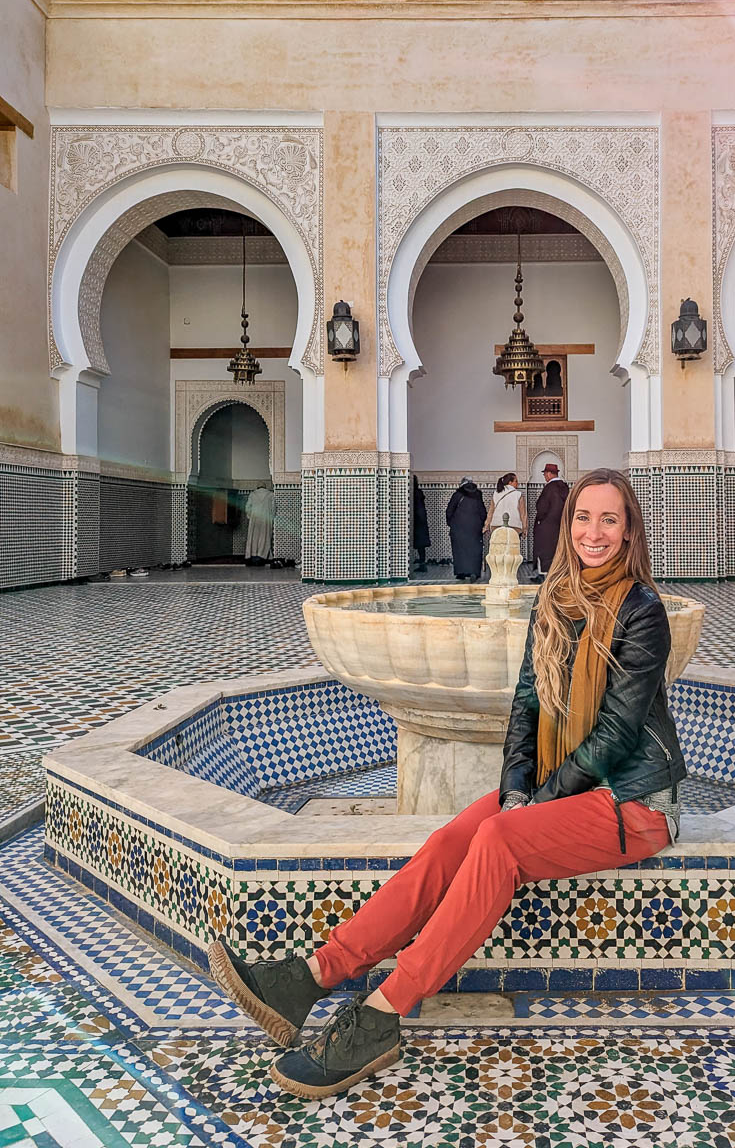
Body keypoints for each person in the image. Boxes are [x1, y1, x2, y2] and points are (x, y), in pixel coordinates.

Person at [207, 467, 685, 1100]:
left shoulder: (643, 609)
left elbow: (619, 733)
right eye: (582, 518)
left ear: (629, 534)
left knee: (500, 842)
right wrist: (518, 785)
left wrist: (529, 807)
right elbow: (527, 707)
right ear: (567, 527)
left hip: (632, 800)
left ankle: (381, 1014)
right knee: (452, 838)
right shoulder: (554, 598)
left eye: (609, 520)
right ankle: (312, 975)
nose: (593, 532)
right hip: (558, 784)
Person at [531, 462, 570, 582]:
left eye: (545, 474)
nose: (544, 476)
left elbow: (541, 507)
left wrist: (540, 520)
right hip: (561, 525)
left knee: (544, 550)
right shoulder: (564, 487)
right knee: (557, 549)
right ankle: (557, 573)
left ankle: (543, 575)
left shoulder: (549, 488)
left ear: (548, 474)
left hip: (547, 526)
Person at [446, 477, 487, 581]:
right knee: (475, 550)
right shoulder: (477, 495)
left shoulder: (457, 495)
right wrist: (481, 524)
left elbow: (449, 510)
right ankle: (474, 572)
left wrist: (451, 524)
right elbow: (483, 512)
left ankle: (461, 572)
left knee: (459, 550)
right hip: (475, 528)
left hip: (458, 528)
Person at [484, 472, 527, 539]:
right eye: (516, 481)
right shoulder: (518, 495)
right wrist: (525, 528)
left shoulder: (496, 494)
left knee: (499, 547)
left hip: (496, 526)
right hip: (514, 526)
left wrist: (486, 526)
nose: (517, 483)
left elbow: (491, 512)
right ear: (510, 482)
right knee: (512, 547)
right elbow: (523, 514)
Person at [244, 485, 274, 565]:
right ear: (265, 487)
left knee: (253, 537)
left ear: (257, 487)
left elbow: (247, 507)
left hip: (255, 519)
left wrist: (250, 516)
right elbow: (273, 508)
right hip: (266, 519)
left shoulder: (252, 494)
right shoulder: (270, 494)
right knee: (264, 537)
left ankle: (252, 555)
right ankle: (262, 556)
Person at [412, 476, 430, 573]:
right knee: (421, 545)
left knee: (420, 544)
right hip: (421, 522)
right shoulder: (419, 493)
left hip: (418, 522)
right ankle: (422, 562)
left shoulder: (414, 493)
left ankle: (422, 564)